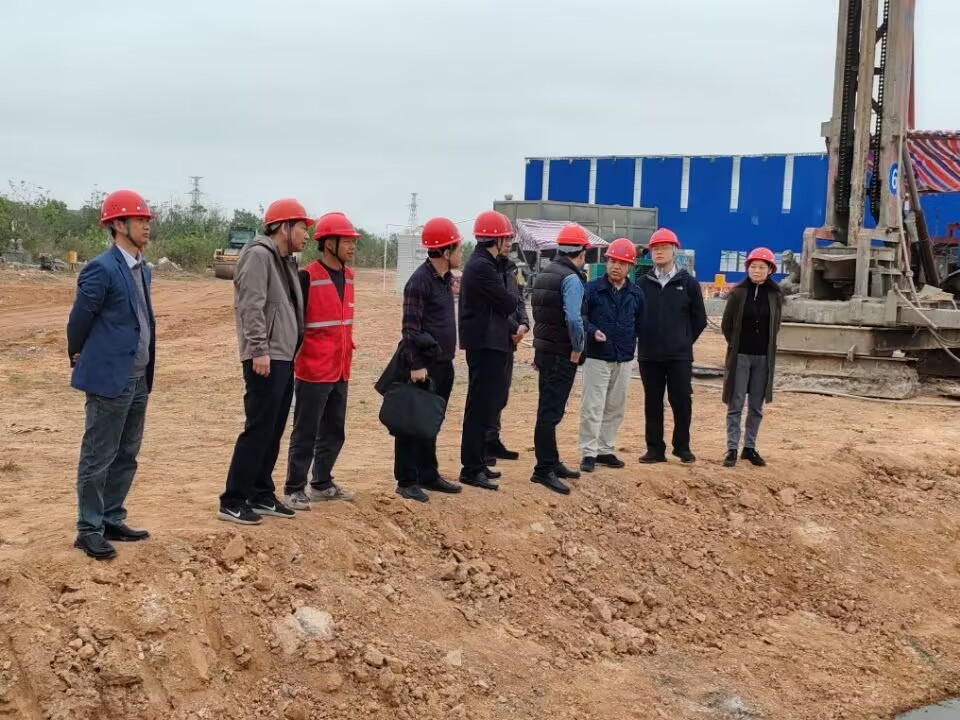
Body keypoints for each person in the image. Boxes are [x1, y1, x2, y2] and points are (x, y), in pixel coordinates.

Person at [67, 190, 156, 560]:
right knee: (98, 455)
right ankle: (89, 529)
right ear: (118, 224)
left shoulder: (143, 269)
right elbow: (80, 319)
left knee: (127, 453)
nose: (146, 227)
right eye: (139, 220)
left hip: (138, 377)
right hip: (110, 378)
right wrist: (78, 352)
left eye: (147, 220)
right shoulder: (101, 268)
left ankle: (111, 517)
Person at [218, 199, 309, 525]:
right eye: (302, 227)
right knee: (258, 428)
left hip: (283, 355)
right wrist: (259, 350)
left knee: (273, 428)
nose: (306, 235)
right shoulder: (258, 255)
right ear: (283, 227)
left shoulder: (283, 260)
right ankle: (232, 499)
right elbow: (251, 306)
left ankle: (260, 492)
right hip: (266, 356)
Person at [385, 217, 465, 502]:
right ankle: (406, 480)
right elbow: (410, 330)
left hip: (443, 364)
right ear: (445, 251)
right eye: (458, 248)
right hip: (423, 366)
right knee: (411, 423)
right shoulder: (419, 282)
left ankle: (428, 474)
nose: (461, 253)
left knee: (430, 421)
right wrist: (416, 365)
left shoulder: (444, 280)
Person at [283, 212, 359, 511]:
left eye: (353, 241)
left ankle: (322, 482)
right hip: (313, 369)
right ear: (329, 243)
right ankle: (294, 488)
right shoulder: (308, 276)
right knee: (306, 430)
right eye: (347, 241)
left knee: (334, 430)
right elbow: (295, 323)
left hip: (340, 367)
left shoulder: (349, 277)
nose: (352, 247)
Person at [458, 210, 523, 491]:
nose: (508, 243)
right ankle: (471, 468)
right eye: (505, 238)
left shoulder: (487, 264)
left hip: (492, 342)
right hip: (484, 344)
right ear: (494, 239)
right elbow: (507, 302)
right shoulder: (482, 266)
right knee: (479, 407)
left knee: (486, 406)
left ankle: (479, 462)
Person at [636, 228, 707, 464]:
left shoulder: (688, 284)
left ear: (674, 250)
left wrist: (683, 340)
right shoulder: (642, 284)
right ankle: (654, 448)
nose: (659, 252)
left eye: (664, 247)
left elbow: (699, 319)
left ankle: (682, 446)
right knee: (653, 402)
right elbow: (635, 317)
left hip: (679, 357)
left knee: (682, 400)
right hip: (649, 356)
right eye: (655, 248)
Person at [529, 223, 590, 495]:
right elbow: (574, 319)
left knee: (548, 407)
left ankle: (552, 461)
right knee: (550, 413)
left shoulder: (545, 274)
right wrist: (578, 347)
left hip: (546, 351)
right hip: (562, 353)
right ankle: (543, 470)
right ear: (582, 251)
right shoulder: (571, 279)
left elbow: (541, 316)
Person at [578, 238, 646, 473]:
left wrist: (631, 342)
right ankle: (588, 452)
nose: (616, 266)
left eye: (621, 262)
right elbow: (581, 317)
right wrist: (591, 331)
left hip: (623, 357)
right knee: (592, 406)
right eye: (612, 261)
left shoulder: (636, 294)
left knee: (615, 406)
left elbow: (641, 323)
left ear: (630, 267)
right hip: (597, 357)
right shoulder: (592, 289)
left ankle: (604, 449)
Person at [720, 247, 783, 467]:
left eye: (762, 267)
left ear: (770, 270)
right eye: (753, 267)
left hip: (763, 359)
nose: (757, 271)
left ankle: (749, 447)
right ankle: (732, 448)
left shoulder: (775, 296)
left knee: (756, 406)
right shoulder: (738, 294)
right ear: (747, 268)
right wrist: (734, 344)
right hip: (741, 357)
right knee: (735, 402)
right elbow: (726, 324)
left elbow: (775, 326)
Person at [485, 227, 529, 463]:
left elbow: (519, 300)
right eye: (506, 239)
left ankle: (493, 439)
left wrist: (524, 324)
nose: (510, 243)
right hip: (493, 339)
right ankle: (483, 443)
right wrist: (514, 327)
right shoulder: (487, 270)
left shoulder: (512, 269)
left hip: (509, 340)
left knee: (501, 393)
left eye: (511, 238)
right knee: (489, 394)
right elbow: (495, 307)